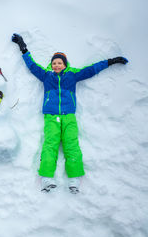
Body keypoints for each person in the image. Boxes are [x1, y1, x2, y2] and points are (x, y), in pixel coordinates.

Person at [11, 33, 128, 194]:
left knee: (71, 145)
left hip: (69, 117)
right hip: (51, 117)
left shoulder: (73, 76)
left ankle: (74, 180)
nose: (57, 65)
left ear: (65, 64)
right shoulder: (46, 76)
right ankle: (46, 178)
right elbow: (32, 66)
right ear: (51, 65)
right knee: (50, 145)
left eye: (59, 62)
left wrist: (110, 61)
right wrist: (23, 48)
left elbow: (91, 69)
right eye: (54, 63)